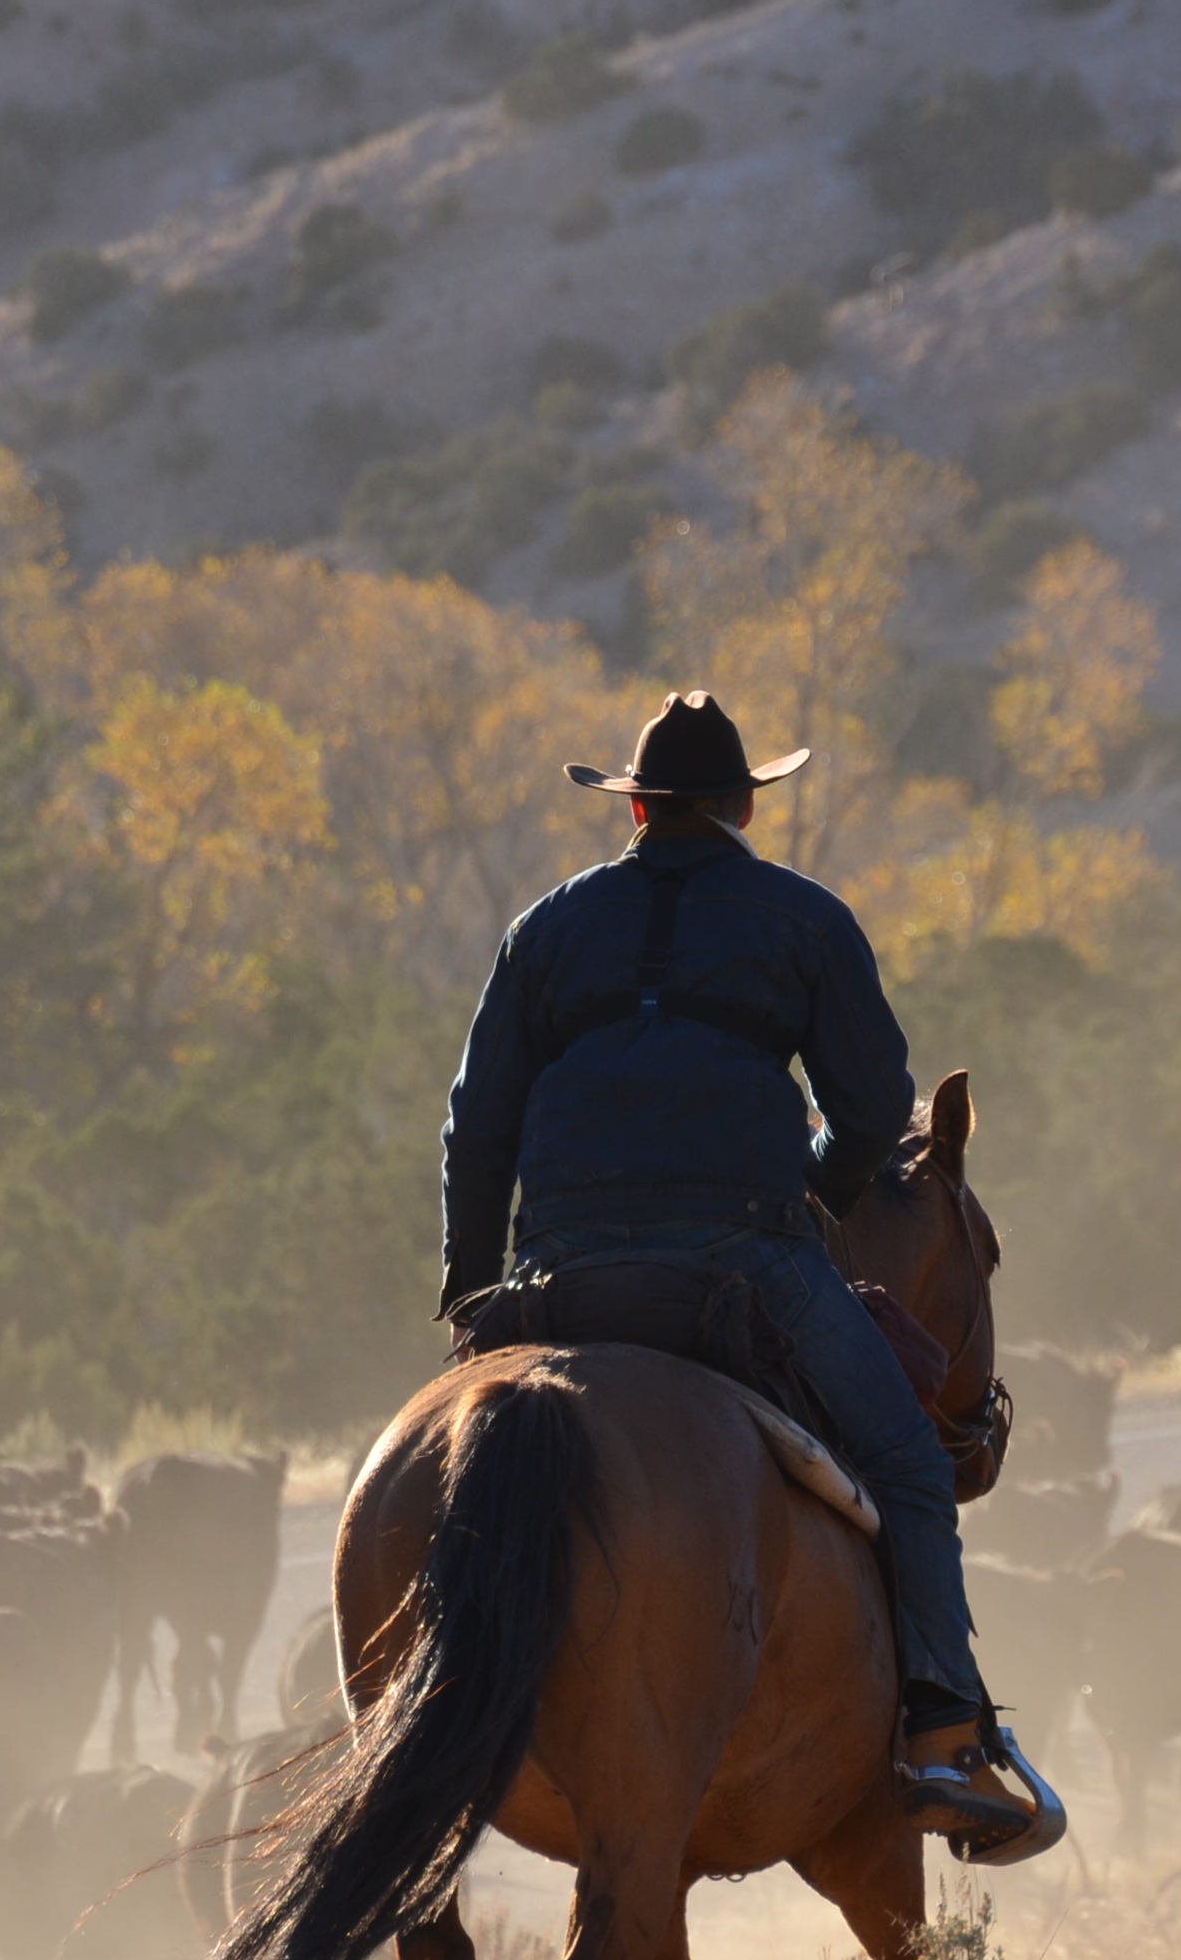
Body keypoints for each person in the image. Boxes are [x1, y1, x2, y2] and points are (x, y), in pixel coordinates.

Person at [439, 690, 1050, 1853]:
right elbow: (873, 1108)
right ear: (743, 805)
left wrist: (472, 1292)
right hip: (742, 1262)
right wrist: (815, 1192)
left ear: (633, 805)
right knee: (913, 1468)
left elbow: (478, 1127)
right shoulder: (804, 919)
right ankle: (939, 1735)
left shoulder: (544, 929)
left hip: (559, 1272)